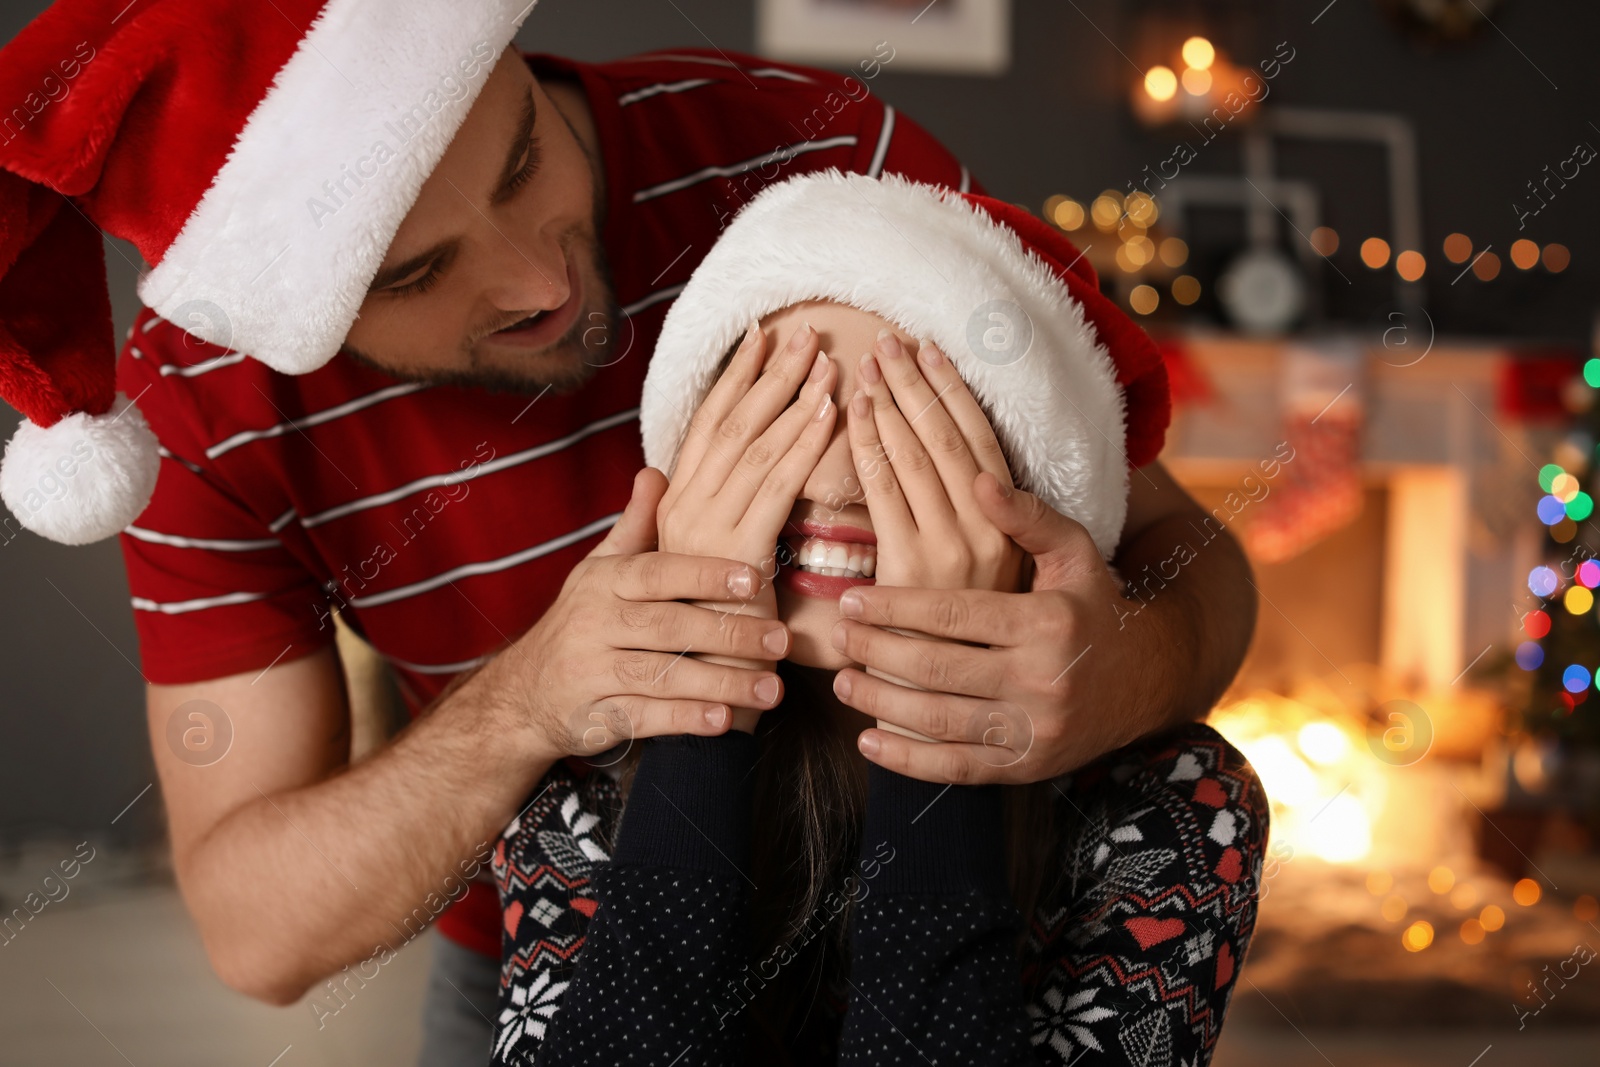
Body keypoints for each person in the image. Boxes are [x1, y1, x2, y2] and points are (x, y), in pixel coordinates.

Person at [0, 4, 1257, 1062]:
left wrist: (1119, 670)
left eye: (521, 165)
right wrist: (535, 704)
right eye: (413, 274)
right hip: (573, 935)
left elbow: (1143, 521)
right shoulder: (201, 408)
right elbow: (257, 931)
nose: (540, 282)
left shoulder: (810, 149)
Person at [492, 172, 1268, 1066]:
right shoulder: (578, 783)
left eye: (912, 423)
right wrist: (697, 728)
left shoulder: (1174, 814)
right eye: (781, 408)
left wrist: (932, 732)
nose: (837, 476)